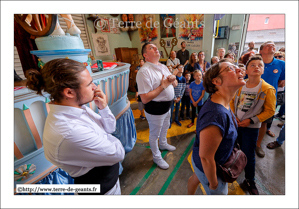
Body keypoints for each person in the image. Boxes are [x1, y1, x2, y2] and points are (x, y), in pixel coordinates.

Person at [25, 58, 125, 195]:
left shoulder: (77, 108)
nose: (95, 87)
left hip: (110, 182)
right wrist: (109, 138)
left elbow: (110, 128)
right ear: (69, 92)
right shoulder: (69, 131)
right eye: (89, 84)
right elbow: (118, 153)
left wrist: (104, 108)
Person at [187, 58, 246, 195]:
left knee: (196, 177)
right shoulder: (216, 114)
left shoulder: (222, 101)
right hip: (211, 168)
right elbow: (206, 158)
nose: (239, 69)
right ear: (216, 81)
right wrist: (213, 183)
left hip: (200, 162)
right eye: (230, 68)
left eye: (235, 66)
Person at [230, 55, 276, 195]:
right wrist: (234, 117)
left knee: (249, 154)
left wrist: (251, 120)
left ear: (263, 70)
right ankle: (234, 169)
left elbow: (270, 110)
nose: (257, 67)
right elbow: (232, 101)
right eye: (253, 65)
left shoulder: (267, 89)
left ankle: (249, 180)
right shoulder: (240, 85)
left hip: (251, 128)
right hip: (237, 124)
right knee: (235, 149)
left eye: (260, 65)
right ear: (246, 71)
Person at [136, 42, 178, 170]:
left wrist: (172, 79)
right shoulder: (144, 72)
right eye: (151, 48)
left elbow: (175, 84)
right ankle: (156, 157)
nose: (156, 49)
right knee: (154, 134)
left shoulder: (163, 66)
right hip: (155, 108)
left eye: (156, 47)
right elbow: (144, 98)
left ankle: (163, 143)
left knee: (165, 126)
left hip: (167, 106)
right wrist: (163, 85)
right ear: (145, 55)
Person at [256, 41, 285, 158]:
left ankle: (257, 145)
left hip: (269, 100)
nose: (272, 45)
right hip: (253, 98)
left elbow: (281, 81)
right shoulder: (255, 62)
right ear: (261, 51)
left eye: (273, 44)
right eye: (268, 45)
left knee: (263, 123)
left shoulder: (281, 64)